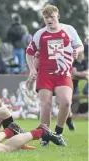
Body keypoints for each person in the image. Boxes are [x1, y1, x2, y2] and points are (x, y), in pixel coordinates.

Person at [26, 5, 84, 146]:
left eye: (51, 17)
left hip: (63, 73)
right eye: (46, 18)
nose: (49, 20)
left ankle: (58, 133)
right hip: (45, 74)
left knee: (66, 103)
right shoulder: (40, 34)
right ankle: (45, 136)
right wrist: (32, 69)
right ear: (43, 19)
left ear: (57, 16)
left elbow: (80, 46)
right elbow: (29, 52)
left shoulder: (69, 30)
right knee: (45, 105)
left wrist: (77, 51)